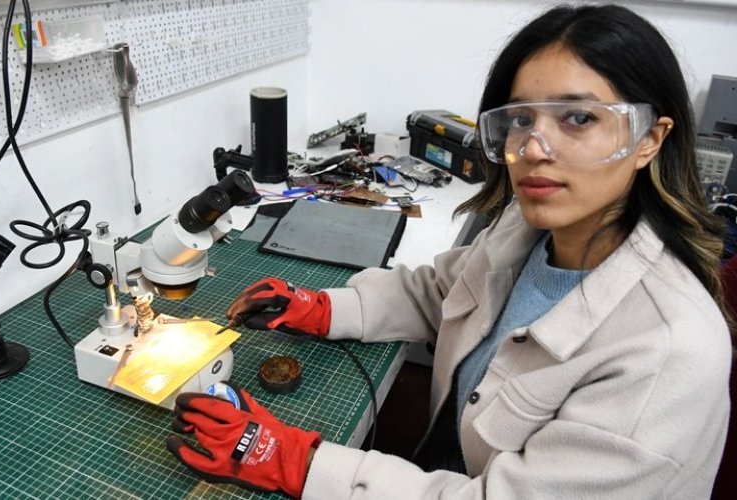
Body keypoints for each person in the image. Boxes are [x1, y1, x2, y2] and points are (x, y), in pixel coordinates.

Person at [164, 3, 733, 499]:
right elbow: (442, 292)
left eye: (578, 118)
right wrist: (324, 308)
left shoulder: (664, 354)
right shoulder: (528, 228)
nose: (534, 148)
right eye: (520, 120)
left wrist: (297, 461)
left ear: (649, 139)